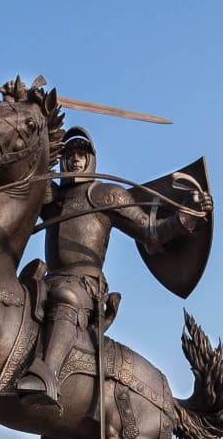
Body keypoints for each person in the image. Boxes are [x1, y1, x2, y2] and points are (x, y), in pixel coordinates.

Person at [13, 127, 210, 408]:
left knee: (66, 297)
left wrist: (184, 217)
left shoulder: (107, 195)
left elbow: (150, 231)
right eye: (69, 156)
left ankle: (48, 375)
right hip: (48, 280)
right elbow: (32, 168)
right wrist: (37, 126)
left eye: (81, 155)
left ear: (91, 159)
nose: (75, 161)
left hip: (83, 286)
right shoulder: (54, 198)